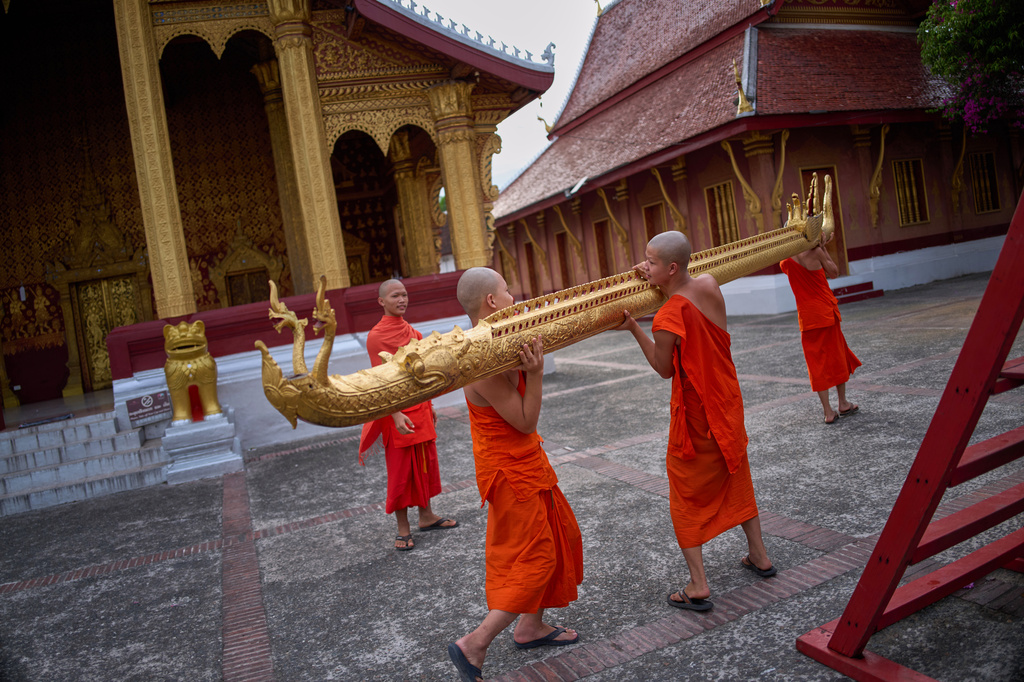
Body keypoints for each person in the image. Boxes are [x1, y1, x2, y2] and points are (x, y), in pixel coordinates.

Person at [619, 231, 776, 612]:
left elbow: (663, 368)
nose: (644, 266)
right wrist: (658, 276)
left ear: (671, 267)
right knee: (735, 470)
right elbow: (682, 292)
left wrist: (634, 327)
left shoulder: (668, 316)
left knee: (685, 492)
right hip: (727, 401)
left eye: (651, 262)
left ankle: (698, 583)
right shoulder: (708, 283)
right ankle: (759, 555)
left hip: (698, 416)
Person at [447, 267, 584, 682]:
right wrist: (537, 373)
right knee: (536, 559)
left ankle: (530, 626)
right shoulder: (482, 358)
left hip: (526, 462)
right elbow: (524, 420)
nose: (514, 295)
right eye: (507, 290)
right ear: (491, 301)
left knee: (558, 539)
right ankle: (475, 643)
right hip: (510, 472)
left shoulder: (499, 340)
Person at [358, 279, 457, 551]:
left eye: (404, 295)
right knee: (401, 471)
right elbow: (380, 381)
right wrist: (395, 413)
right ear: (381, 302)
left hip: (420, 408)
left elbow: (421, 375)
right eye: (394, 296)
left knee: (425, 463)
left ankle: (426, 516)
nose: (401, 300)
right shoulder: (376, 337)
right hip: (397, 413)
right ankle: (403, 529)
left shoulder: (413, 332)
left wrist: (431, 405)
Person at [779, 232, 861, 424]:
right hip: (825, 311)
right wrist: (822, 247)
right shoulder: (816, 252)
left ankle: (828, 412)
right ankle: (842, 402)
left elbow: (792, 266)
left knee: (816, 363)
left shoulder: (785, 261)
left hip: (807, 318)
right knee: (837, 355)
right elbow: (834, 272)